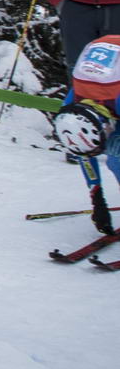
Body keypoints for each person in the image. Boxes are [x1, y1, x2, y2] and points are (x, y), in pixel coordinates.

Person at [55, 34, 120, 236]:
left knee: (116, 155)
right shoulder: (70, 110)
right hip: (106, 88)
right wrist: (97, 197)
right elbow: (85, 154)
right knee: (114, 156)